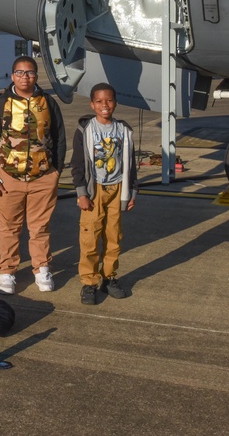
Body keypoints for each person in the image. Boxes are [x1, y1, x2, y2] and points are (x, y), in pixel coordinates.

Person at [0, 56, 66, 295]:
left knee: (40, 226)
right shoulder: (1, 103)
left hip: (43, 177)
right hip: (9, 176)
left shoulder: (48, 102)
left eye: (29, 73)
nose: (25, 77)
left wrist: (56, 171)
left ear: (36, 76)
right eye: (20, 73)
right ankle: (7, 270)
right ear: (12, 76)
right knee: (9, 227)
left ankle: (42, 267)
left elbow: (59, 136)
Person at [70, 83, 138, 305]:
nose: (104, 105)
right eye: (99, 101)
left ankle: (109, 278)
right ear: (92, 104)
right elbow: (78, 164)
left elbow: (131, 164)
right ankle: (89, 283)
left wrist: (131, 192)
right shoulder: (85, 130)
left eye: (109, 100)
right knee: (90, 237)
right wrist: (81, 193)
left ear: (115, 102)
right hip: (94, 189)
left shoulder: (124, 130)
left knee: (113, 237)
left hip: (117, 188)